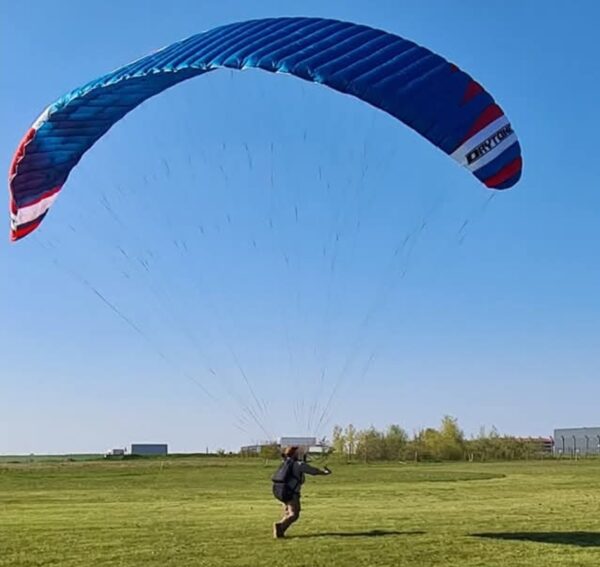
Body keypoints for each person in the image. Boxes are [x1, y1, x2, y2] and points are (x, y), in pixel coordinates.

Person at [273, 446, 331, 538]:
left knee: (288, 513)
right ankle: (280, 526)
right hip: (291, 492)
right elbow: (313, 471)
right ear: (294, 454)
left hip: (280, 490)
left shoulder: (284, 463)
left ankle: (280, 531)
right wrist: (325, 472)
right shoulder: (298, 465)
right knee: (294, 514)